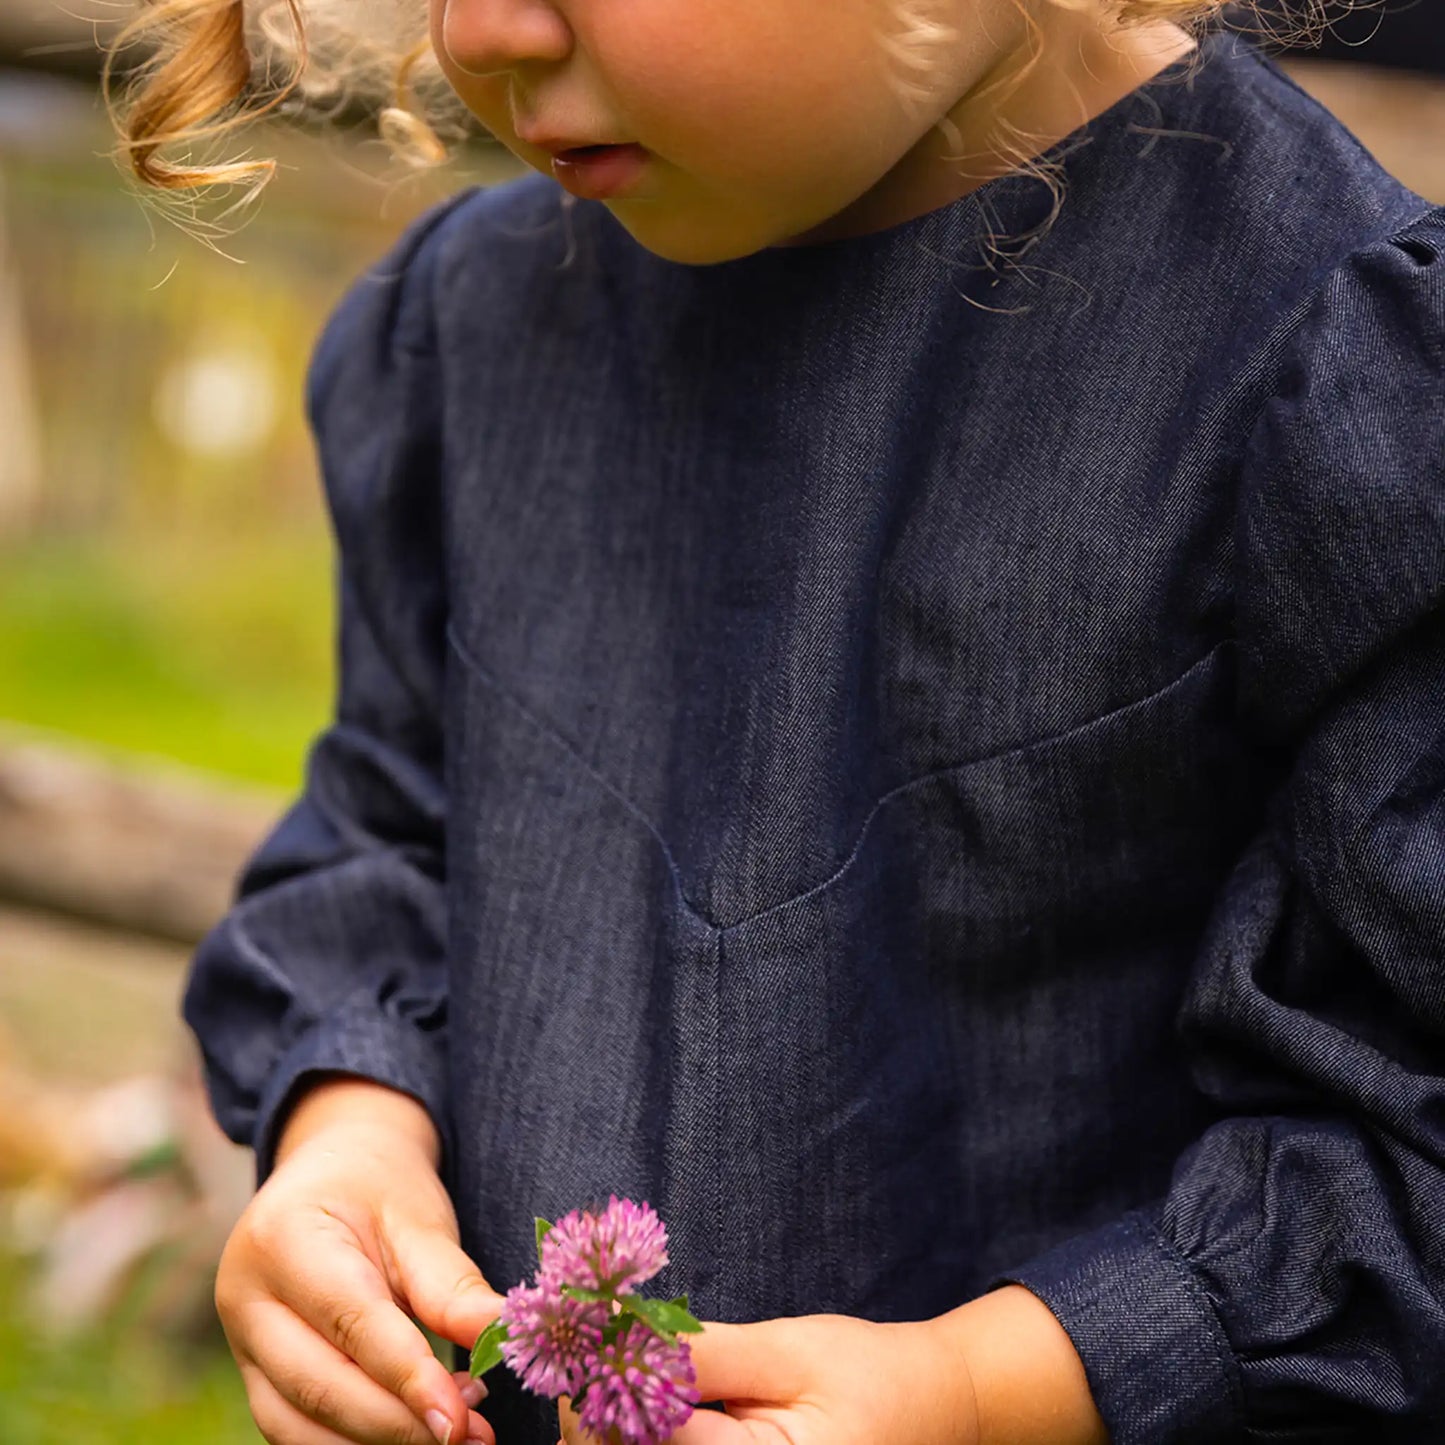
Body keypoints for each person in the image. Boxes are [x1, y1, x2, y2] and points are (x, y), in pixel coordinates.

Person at [105, 0, 1445, 1441]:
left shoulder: (1342, 379)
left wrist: (988, 1395)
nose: (482, 28)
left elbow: (1403, 1130)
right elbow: (388, 829)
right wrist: (348, 1130)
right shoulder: (478, 330)